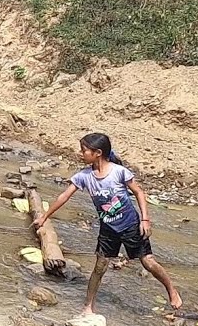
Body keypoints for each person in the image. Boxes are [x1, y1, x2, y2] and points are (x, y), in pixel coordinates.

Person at [34, 133, 182, 316]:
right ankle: (88, 307)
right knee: (99, 267)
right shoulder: (84, 176)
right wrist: (44, 217)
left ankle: (171, 290)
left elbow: (139, 193)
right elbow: (64, 196)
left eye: (84, 151)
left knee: (148, 262)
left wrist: (145, 219)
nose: (80, 154)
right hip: (108, 228)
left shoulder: (118, 172)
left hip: (130, 224)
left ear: (97, 153)